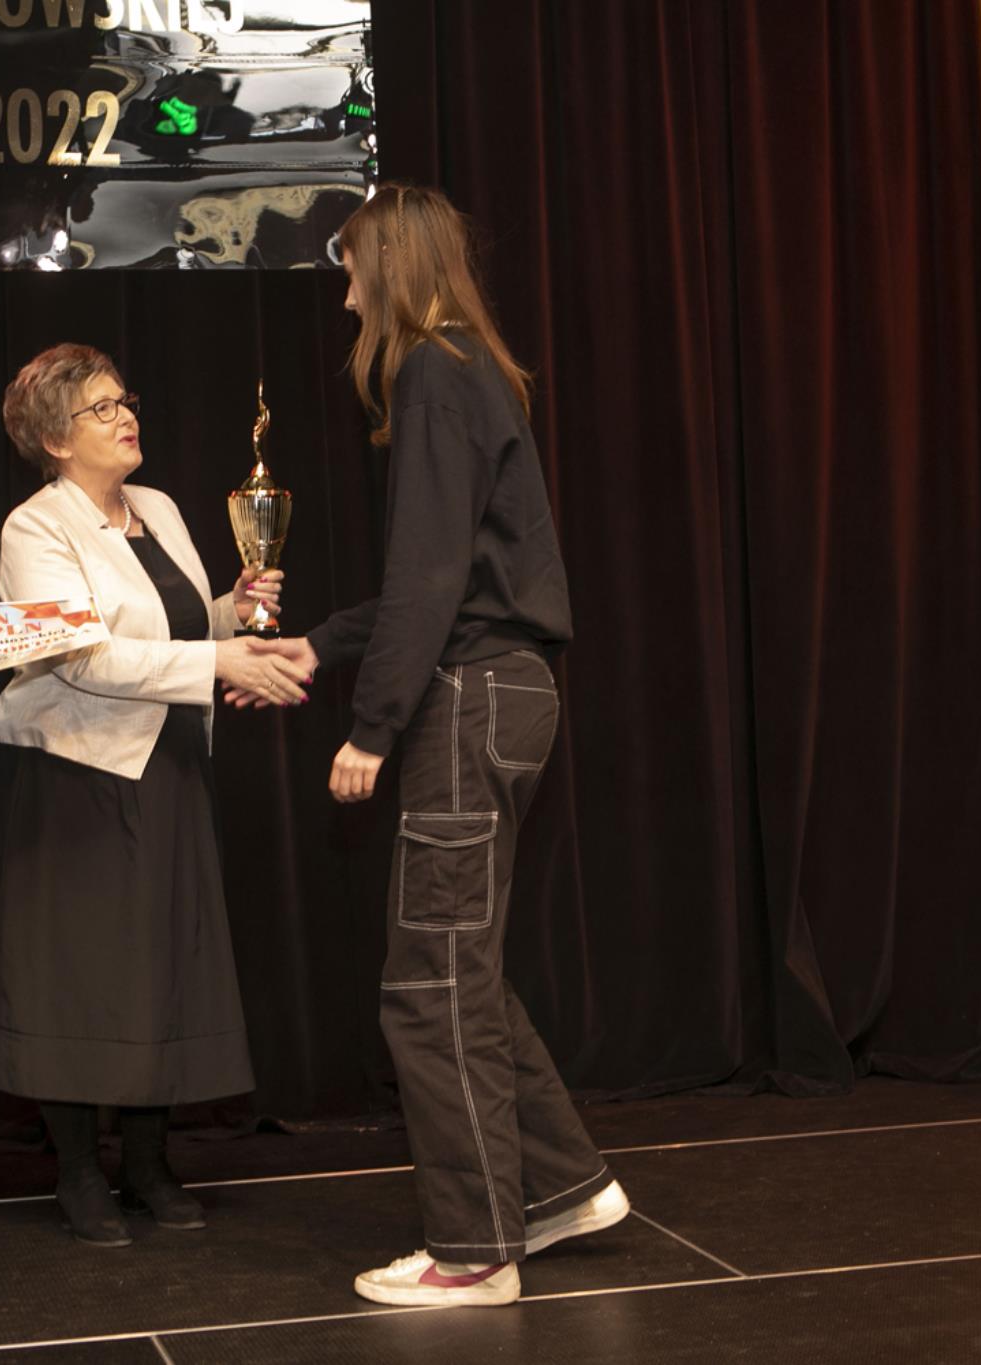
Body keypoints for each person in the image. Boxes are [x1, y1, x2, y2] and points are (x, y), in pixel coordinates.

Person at [242, 185, 629, 1307]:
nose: (346, 295)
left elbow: (428, 576)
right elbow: (443, 573)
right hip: (504, 690)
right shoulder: (467, 369)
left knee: (429, 985)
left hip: (470, 700)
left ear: (392, 267)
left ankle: (473, 1251)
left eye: (353, 271)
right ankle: (562, 1187)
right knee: (460, 969)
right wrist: (321, 643)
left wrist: (371, 727)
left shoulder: (430, 370)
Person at [0, 344, 310, 1248]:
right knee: (78, 978)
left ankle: (149, 1165)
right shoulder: (35, 528)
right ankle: (78, 1171)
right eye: (101, 409)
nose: (125, 418)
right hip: (73, 774)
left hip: (169, 764)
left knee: (163, 970)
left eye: (125, 401)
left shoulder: (159, 507)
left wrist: (233, 609)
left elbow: (175, 626)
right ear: (53, 439)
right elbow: (82, 657)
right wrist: (219, 659)